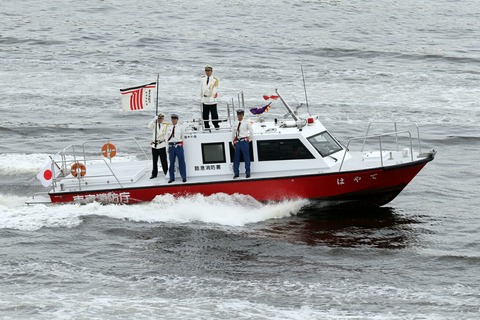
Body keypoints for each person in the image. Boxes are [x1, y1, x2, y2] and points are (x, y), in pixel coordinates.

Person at [232, 109, 253, 179]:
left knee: (246, 158)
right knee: (236, 159)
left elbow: (251, 131)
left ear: (243, 115)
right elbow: (233, 133)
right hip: (238, 142)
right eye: (238, 114)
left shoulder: (246, 122)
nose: (239, 116)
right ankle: (236, 173)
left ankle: (247, 172)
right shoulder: (235, 123)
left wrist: (249, 139)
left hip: (244, 141)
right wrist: (233, 141)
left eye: (240, 114)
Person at [166, 114, 187, 183]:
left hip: (178, 146)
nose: (173, 120)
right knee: (171, 163)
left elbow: (183, 137)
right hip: (171, 146)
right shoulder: (169, 127)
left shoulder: (181, 127)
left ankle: (183, 177)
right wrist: (167, 148)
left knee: (181, 162)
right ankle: (171, 177)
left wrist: (181, 144)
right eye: (172, 119)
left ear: (177, 119)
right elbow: (166, 139)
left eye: (175, 119)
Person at [147, 113, 169, 179]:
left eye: (161, 118)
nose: (160, 120)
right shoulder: (154, 124)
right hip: (155, 145)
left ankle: (166, 172)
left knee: (164, 161)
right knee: (155, 161)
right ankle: (154, 174)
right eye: (159, 118)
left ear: (163, 119)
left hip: (162, 145)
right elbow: (149, 126)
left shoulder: (165, 125)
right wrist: (154, 120)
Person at [200, 64, 219, 130]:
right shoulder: (202, 79)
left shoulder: (215, 80)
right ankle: (207, 127)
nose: (207, 72)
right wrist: (201, 98)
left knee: (214, 115)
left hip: (212, 99)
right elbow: (201, 89)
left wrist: (212, 98)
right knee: (205, 115)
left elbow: (215, 90)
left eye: (209, 70)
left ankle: (216, 126)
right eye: (206, 70)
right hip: (205, 99)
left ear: (211, 71)